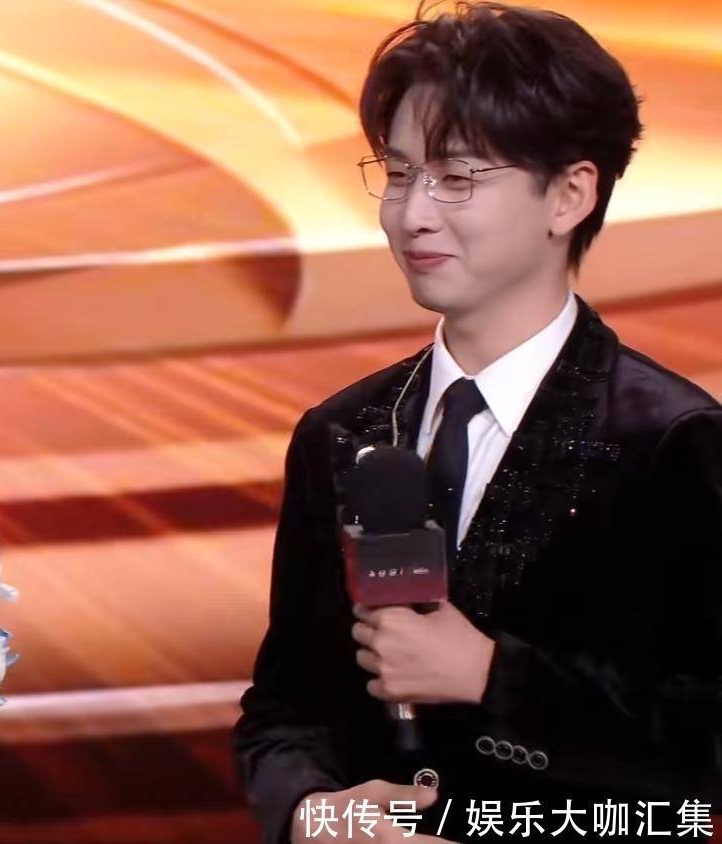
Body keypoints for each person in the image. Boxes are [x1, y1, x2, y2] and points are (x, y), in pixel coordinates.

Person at [233, 4, 722, 842]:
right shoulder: (342, 432)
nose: (413, 213)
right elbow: (283, 711)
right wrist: (314, 814)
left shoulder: (673, 441)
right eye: (398, 174)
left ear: (569, 194)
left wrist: (494, 678)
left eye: (456, 177)